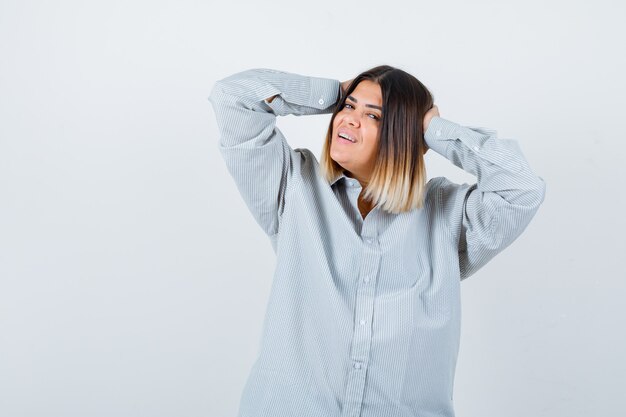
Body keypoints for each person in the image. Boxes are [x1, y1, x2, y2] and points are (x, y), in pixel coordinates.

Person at [208, 66, 545, 417]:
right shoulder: (292, 186)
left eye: (373, 116)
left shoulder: (449, 216)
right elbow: (232, 98)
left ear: (407, 134)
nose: (349, 120)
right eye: (348, 108)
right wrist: (335, 93)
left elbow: (521, 188)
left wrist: (432, 129)